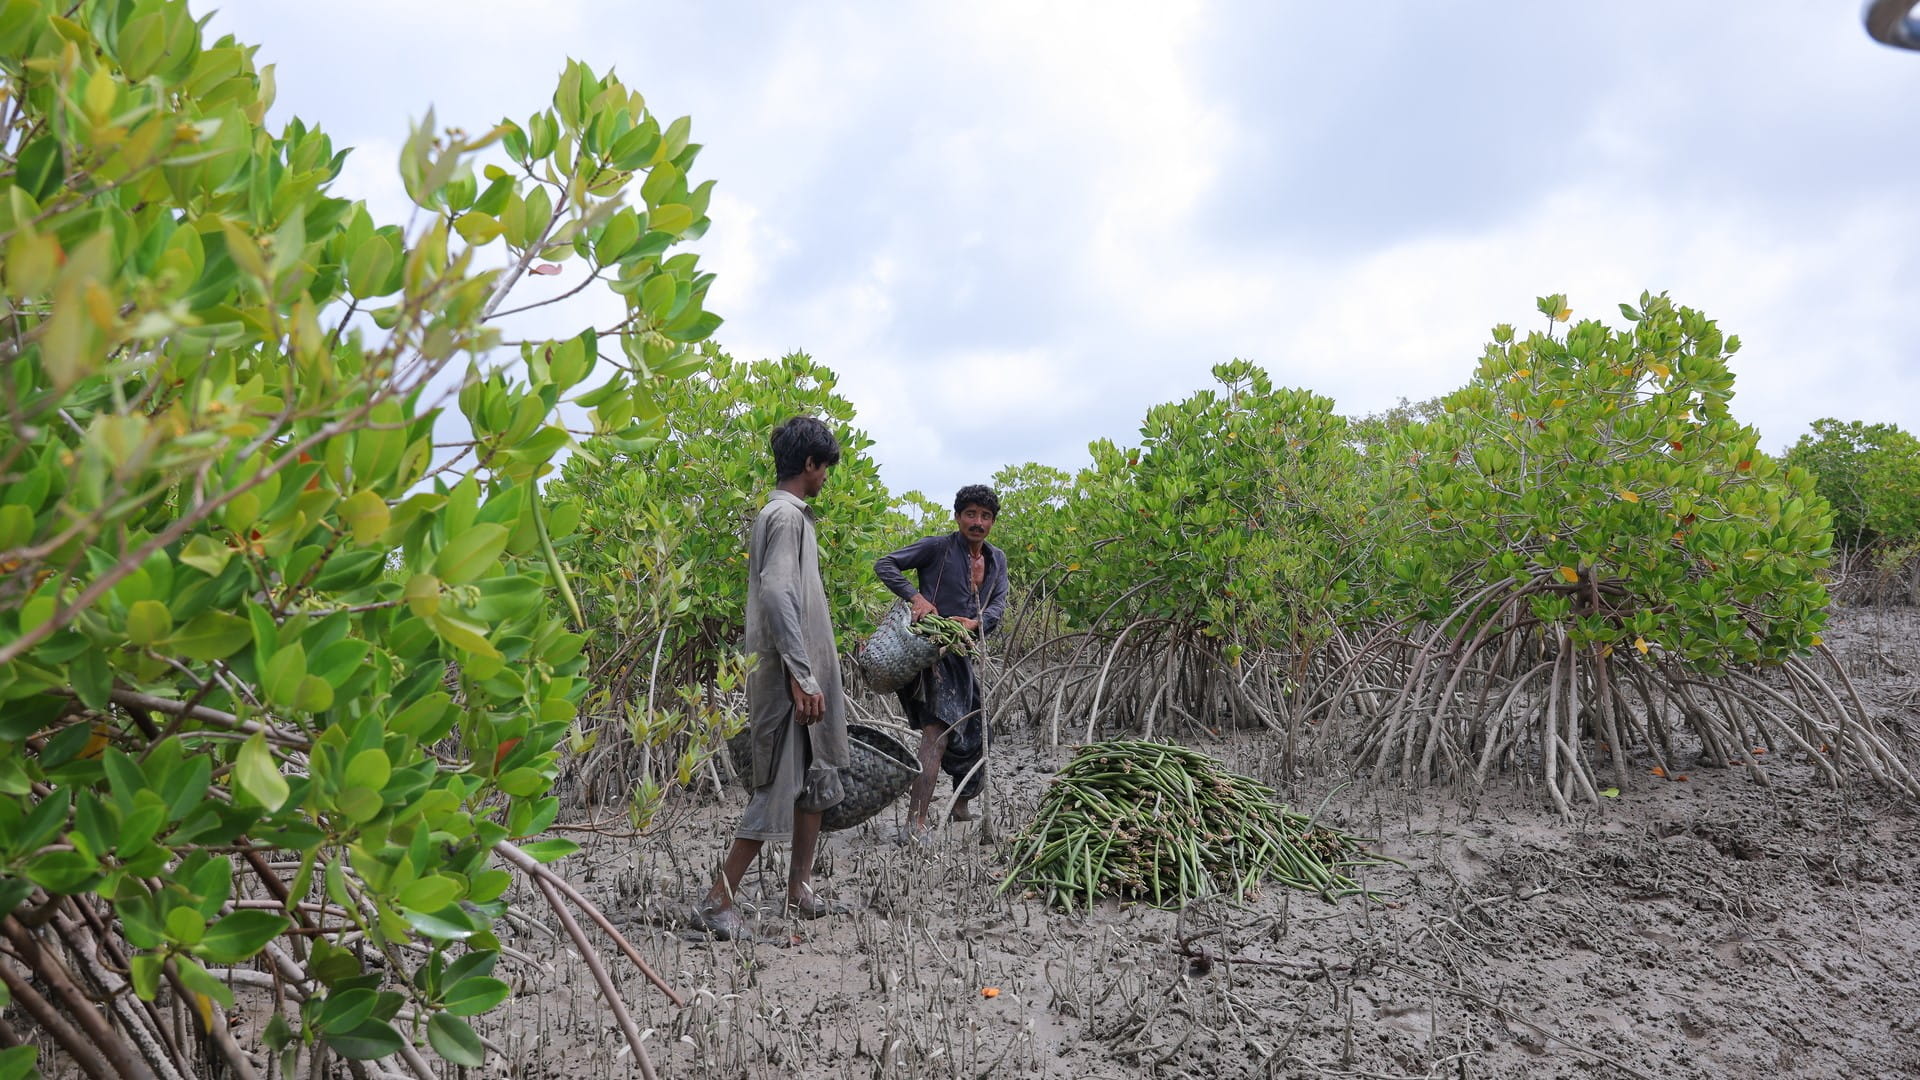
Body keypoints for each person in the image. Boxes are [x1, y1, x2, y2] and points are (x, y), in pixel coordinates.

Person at [693, 417, 852, 939]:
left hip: (805, 673)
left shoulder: (792, 518)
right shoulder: (784, 516)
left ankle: (798, 888)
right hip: (791, 678)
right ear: (810, 465)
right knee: (776, 788)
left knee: (817, 781)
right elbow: (778, 593)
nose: (826, 477)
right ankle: (718, 901)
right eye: (825, 467)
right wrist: (801, 675)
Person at [874, 484, 1009, 845]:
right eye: (970, 514)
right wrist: (916, 597)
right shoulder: (937, 547)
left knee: (978, 731)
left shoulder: (996, 560)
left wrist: (977, 623)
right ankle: (915, 824)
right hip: (930, 654)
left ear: (992, 522)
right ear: (957, 517)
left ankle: (961, 804)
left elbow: (998, 605)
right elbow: (885, 565)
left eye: (984, 516)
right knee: (936, 735)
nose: (976, 522)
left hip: (962, 655)